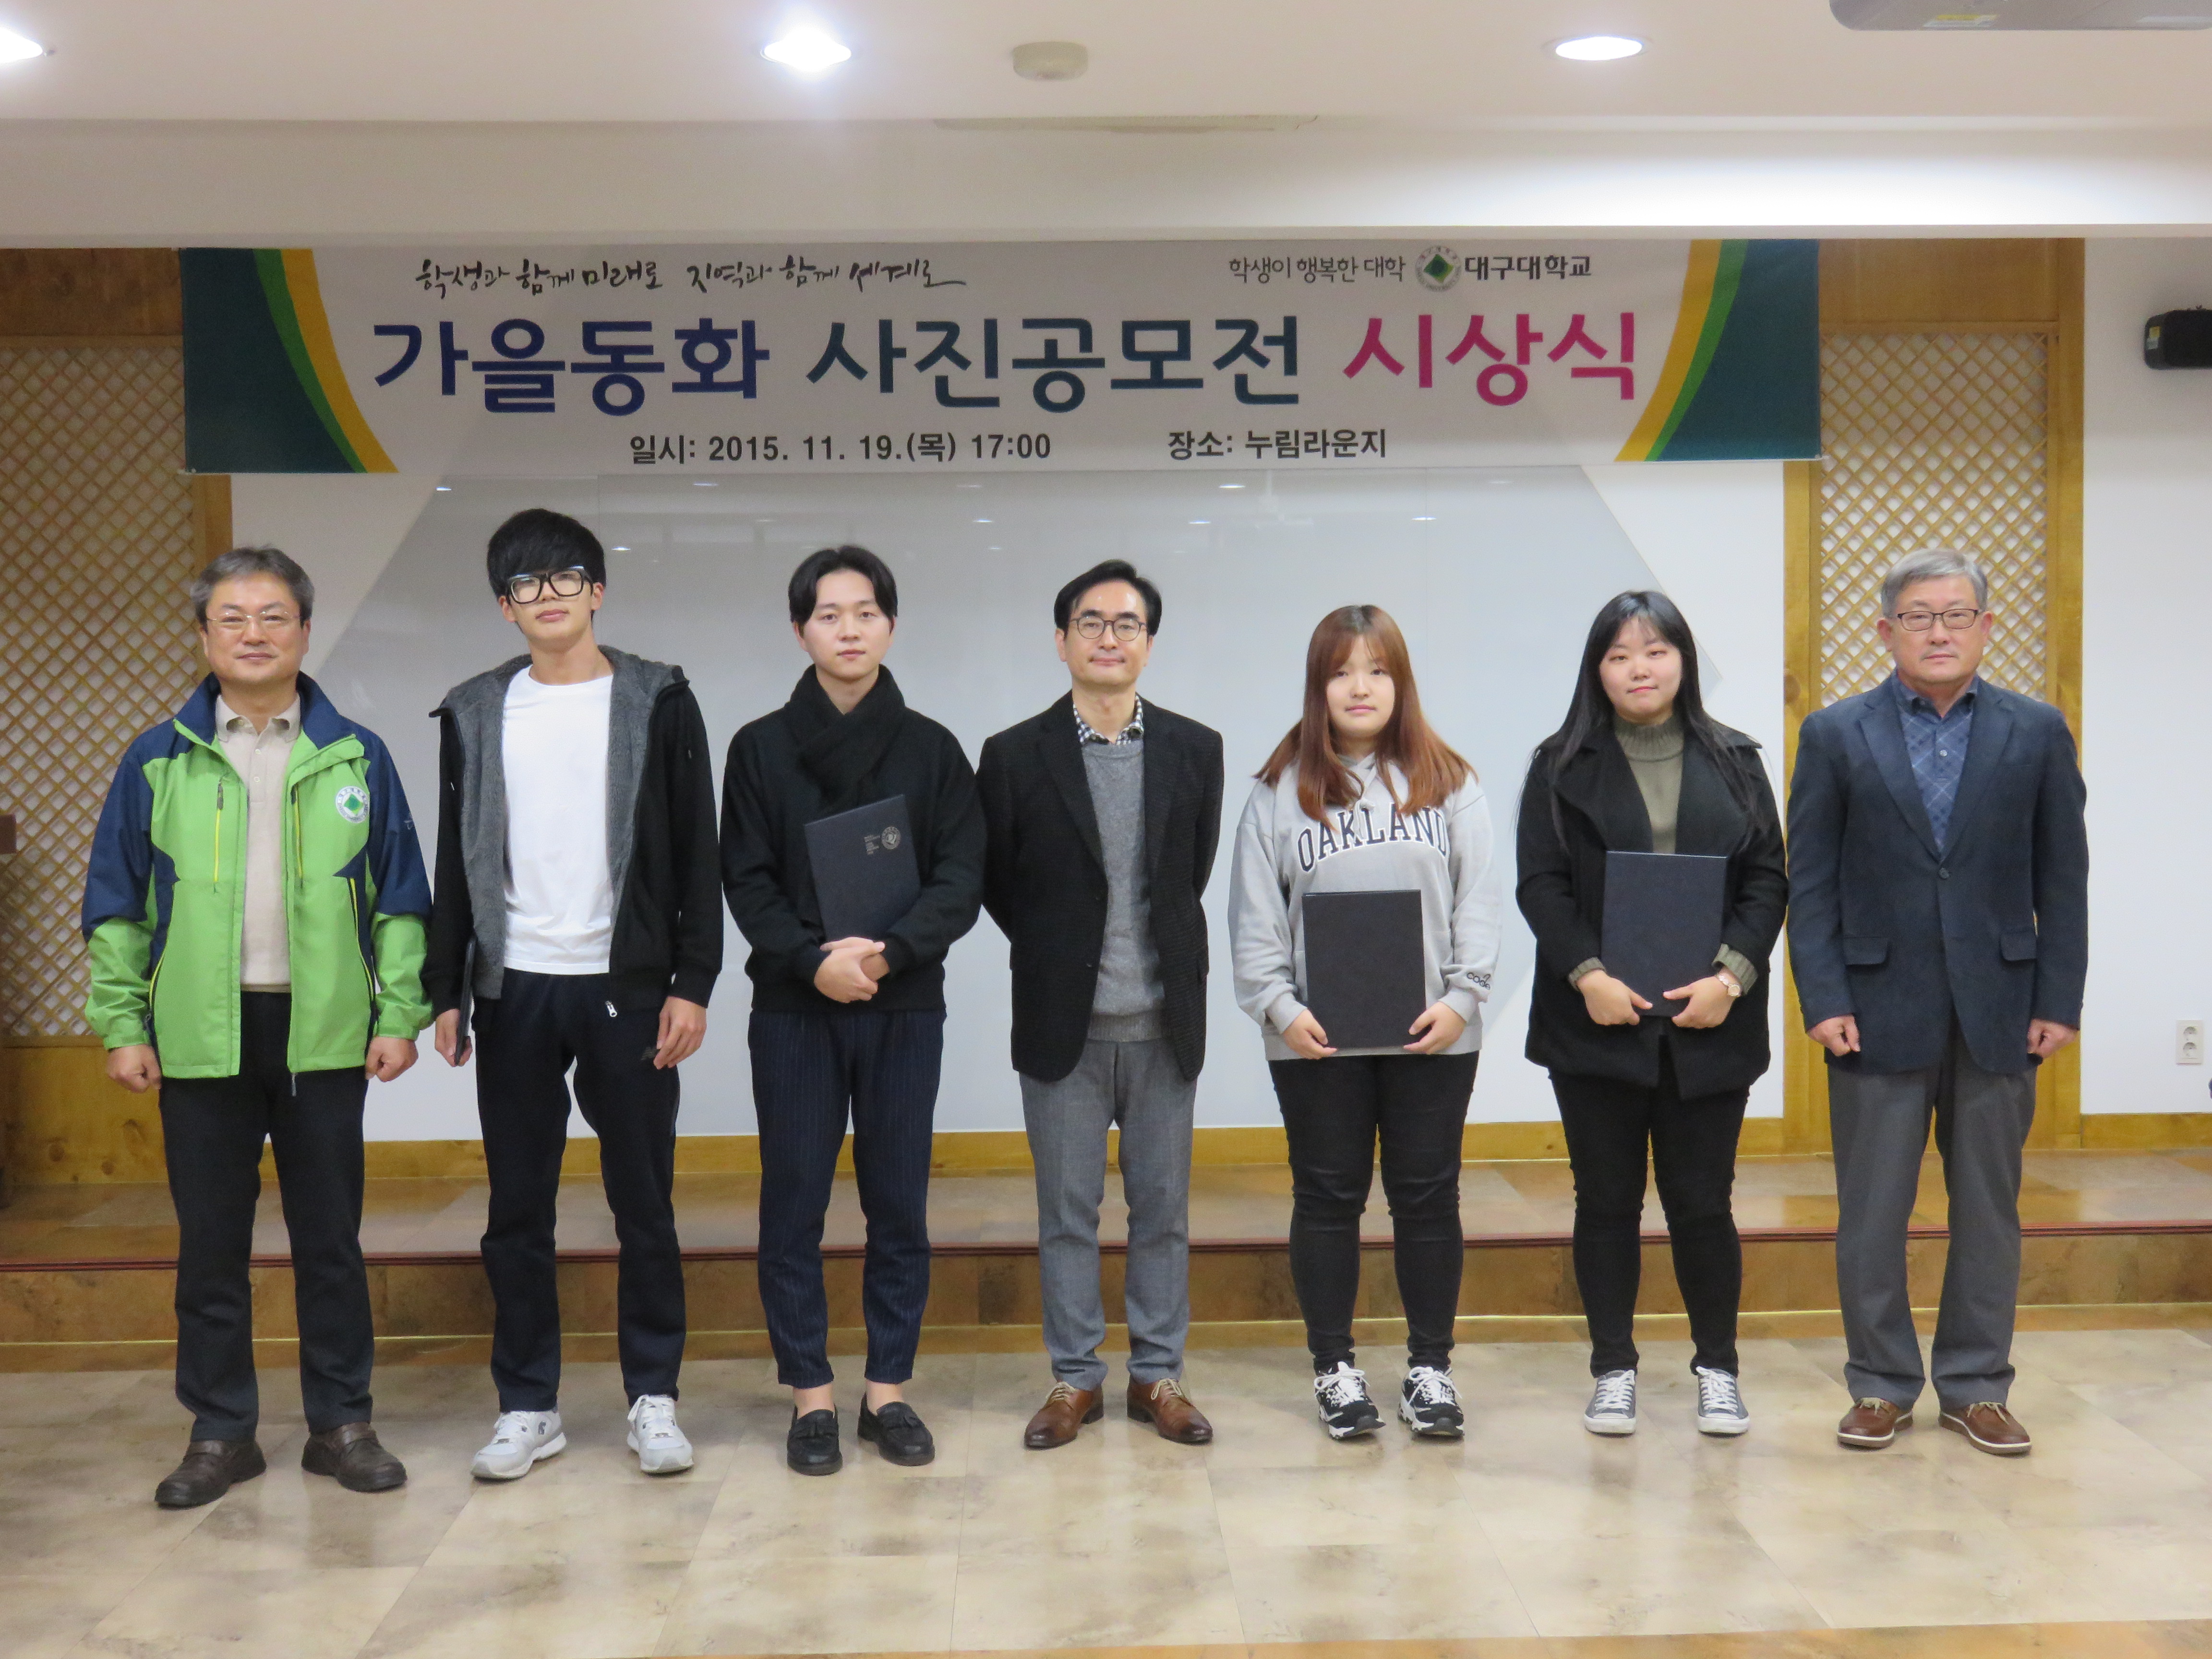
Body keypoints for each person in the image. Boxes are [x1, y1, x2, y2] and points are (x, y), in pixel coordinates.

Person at [83, 547, 429, 1507]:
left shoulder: (358, 755)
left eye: (274, 616)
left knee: (331, 1240)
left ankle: (342, 1423)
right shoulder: (158, 758)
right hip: (200, 1033)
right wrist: (122, 1023)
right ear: (204, 636)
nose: (254, 634)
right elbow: (117, 904)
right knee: (211, 1245)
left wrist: (400, 1013)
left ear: (305, 632)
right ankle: (221, 1431)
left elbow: (401, 897)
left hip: (325, 1035)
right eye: (232, 618)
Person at [426, 508, 722, 1481]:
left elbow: (697, 847)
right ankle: (528, 1406)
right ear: (505, 607)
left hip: (625, 987)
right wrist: (446, 988)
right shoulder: (475, 710)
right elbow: (456, 859)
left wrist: (691, 982)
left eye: (564, 579)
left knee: (644, 1202)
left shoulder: (657, 698)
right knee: (518, 1206)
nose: (546, 597)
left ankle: (654, 1398)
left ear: (597, 590)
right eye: (526, 585)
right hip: (513, 987)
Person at [1789, 548, 2087, 1457]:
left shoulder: (2037, 731)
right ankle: (1880, 1385)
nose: (1940, 632)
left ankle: (1977, 1386)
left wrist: (2060, 997)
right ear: (1886, 631)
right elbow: (1812, 881)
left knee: (1989, 1211)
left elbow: (2063, 878)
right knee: (1872, 1213)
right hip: (1873, 1009)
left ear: (1987, 627)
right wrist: (1822, 995)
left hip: (2002, 1005)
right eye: (1919, 617)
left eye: (1957, 615)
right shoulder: (1835, 734)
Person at [721, 545, 985, 1475]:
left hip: (903, 1003)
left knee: (898, 1201)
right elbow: (745, 878)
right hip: (795, 1008)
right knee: (793, 1200)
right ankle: (810, 1395)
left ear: (891, 626)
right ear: (801, 631)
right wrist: (811, 962)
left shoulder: (933, 749)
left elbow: (961, 876)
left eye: (865, 612)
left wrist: (887, 954)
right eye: (829, 614)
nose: (848, 629)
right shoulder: (759, 747)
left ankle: (888, 1391)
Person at [1516, 591, 1787, 1440]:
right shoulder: (1559, 765)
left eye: (1657, 650)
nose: (1640, 668)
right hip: (1597, 1020)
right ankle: (1613, 1370)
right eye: (1620, 655)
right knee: (1605, 1202)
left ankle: (1718, 1370)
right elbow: (1541, 884)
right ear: (1597, 669)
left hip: (1711, 1019)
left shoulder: (1736, 760)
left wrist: (1731, 978)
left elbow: (1768, 879)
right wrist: (1588, 974)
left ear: (1683, 660)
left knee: (1703, 1204)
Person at [1228, 605, 1500, 1441]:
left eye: (1377, 670)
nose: (1360, 686)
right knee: (1327, 1196)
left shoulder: (1450, 781)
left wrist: (1462, 999)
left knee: (1428, 1197)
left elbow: (1480, 903)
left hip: (1434, 1033)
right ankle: (1335, 1370)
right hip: (1317, 1039)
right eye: (1341, 671)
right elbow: (1253, 921)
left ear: (1400, 682)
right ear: (1318, 686)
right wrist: (1282, 1010)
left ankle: (1430, 1369)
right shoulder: (1277, 793)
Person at [978, 559, 1224, 1450]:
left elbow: (1188, 877)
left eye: (1127, 624)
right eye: (1091, 623)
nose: (1109, 638)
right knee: (1066, 1216)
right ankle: (1075, 1378)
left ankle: (1158, 1375)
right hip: (1063, 1027)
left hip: (1164, 1023)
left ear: (1149, 643)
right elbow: (1001, 885)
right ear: (1062, 640)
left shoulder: (1196, 749)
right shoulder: (1012, 755)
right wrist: (1066, 956)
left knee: (1163, 1214)